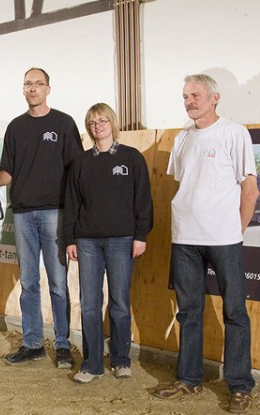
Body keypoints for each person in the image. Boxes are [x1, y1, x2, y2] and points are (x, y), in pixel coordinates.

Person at [153, 74, 258, 413]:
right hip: (185, 238)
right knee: (189, 313)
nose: (189, 101)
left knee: (235, 313)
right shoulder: (183, 139)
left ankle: (241, 386)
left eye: (196, 95)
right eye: (185, 95)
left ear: (215, 97)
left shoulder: (233, 133)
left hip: (224, 240)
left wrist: (235, 231)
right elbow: (188, 185)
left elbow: (250, 189)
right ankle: (189, 380)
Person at [0, 68, 84, 368]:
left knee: (57, 282)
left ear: (48, 89)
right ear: (23, 89)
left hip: (56, 213)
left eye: (38, 84)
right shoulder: (15, 128)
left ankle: (63, 344)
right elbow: (8, 171)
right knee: (29, 283)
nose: (32, 88)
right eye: (28, 84)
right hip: (24, 214)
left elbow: (76, 171)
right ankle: (32, 343)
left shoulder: (64, 123)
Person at [63, 103, 153, 383]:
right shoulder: (80, 163)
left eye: (102, 120)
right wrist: (70, 239)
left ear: (112, 123)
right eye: (92, 122)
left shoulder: (131, 158)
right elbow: (71, 204)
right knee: (89, 303)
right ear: (88, 127)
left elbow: (143, 200)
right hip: (87, 241)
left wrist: (141, 235)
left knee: (119, 303)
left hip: (122, 240)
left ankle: (120, 359)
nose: (97, 125)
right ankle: (91, 364)